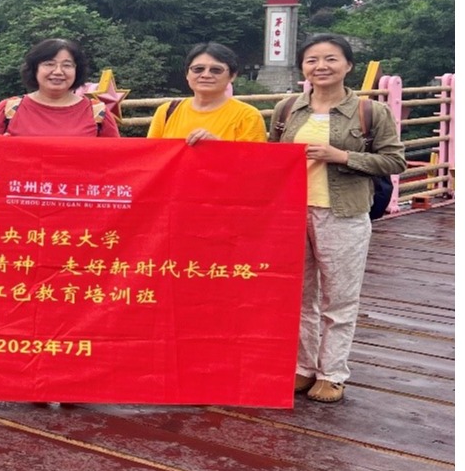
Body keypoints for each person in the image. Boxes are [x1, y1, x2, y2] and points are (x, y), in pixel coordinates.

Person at [270, 34, 405, 404]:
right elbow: (271, 157)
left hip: (343, 212)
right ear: (303, 67)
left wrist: (342, 156)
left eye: (331, 59)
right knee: (299, 296)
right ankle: (303, 366)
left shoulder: (369, 111)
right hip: (293, 212)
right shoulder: (287, 109)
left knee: (339, 298)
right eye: (312, 60)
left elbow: (395, 161)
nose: (321, 67)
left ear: (348, 65)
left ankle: (332, 372)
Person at [0, 38, 119, 138]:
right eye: (49, 64)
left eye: (67, 65)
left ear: (77, 70)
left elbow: (114, 158)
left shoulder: (98, 112)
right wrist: (3, 147)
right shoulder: (8, 109)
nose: (58, 71)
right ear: (35, 69)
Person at [146, 42, 266, 143]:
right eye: (198, 69)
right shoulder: (167, 112)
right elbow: (153, 156)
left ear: (232, 76)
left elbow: (253, 162)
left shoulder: (247, 117)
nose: (206, 75)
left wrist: (217, 147)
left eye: (216, 70)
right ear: (187, 74)